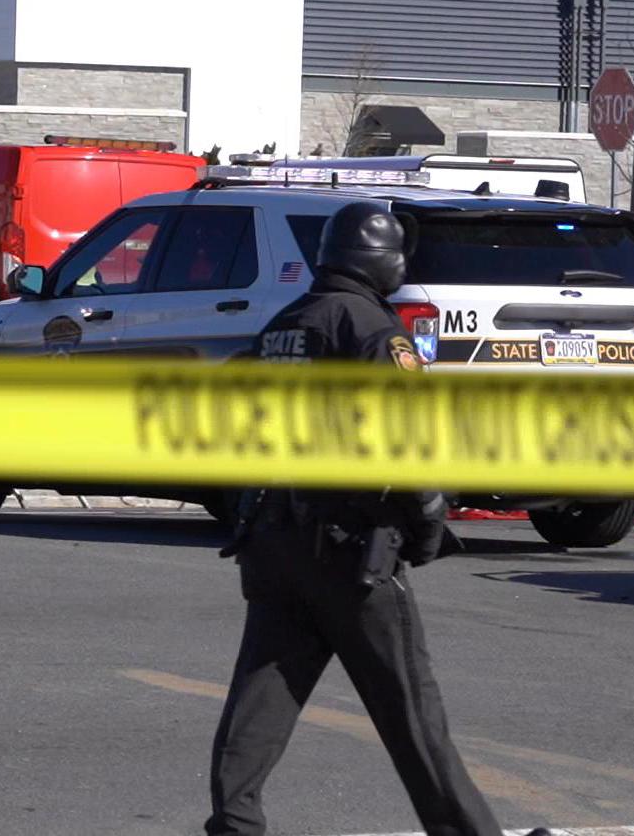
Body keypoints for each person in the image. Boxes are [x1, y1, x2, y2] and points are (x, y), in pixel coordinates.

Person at [206, 201, 546, 836]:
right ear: (381, 260)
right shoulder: (371, 330)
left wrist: (249, 514)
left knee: (263, 694)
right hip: (350, 547)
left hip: (276, 540)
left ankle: (234, 822)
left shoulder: (288, 323)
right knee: (412, 712)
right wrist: (424, 524)